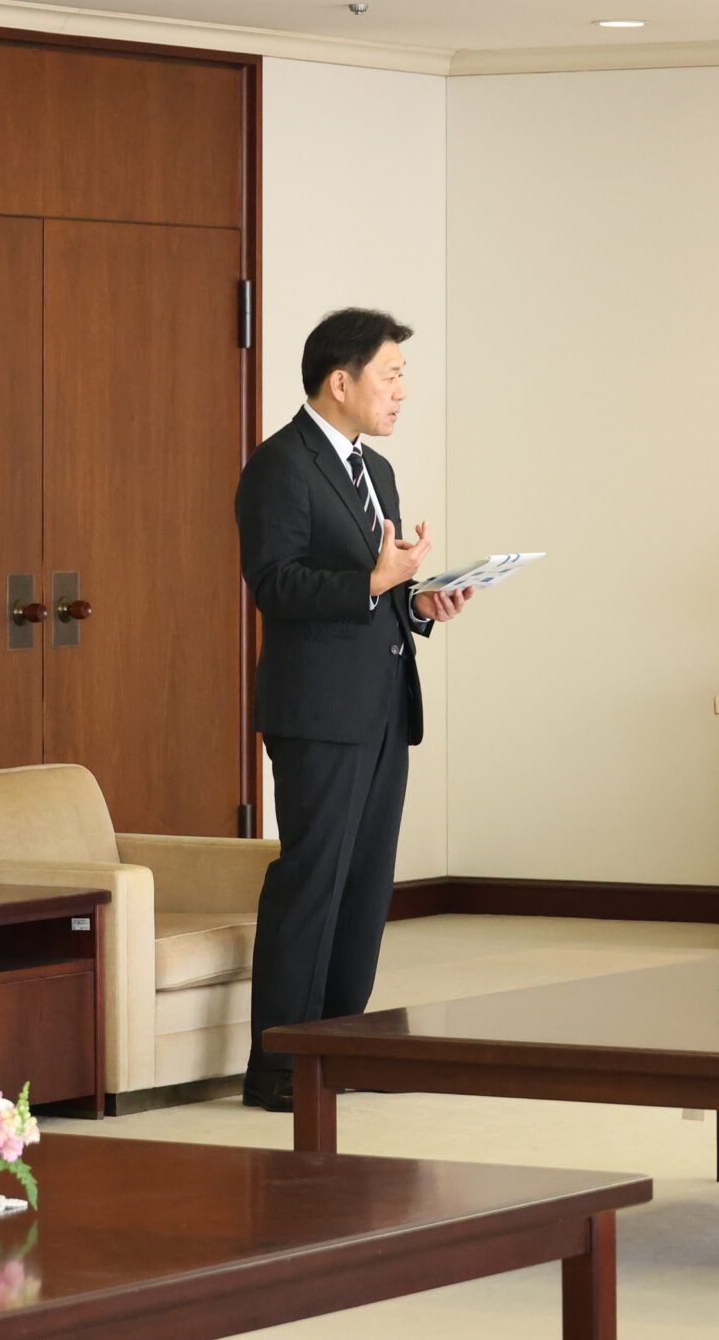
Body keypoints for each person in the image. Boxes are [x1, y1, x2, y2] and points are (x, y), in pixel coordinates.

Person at [234, 308, 475, 1112]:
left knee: (366, 888)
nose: (402, 391)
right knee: (311, 883)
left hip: (381, 707)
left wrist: (420, 600)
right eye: (390, 375)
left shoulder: (378, 471)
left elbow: (378, 592)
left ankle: (339, 1049)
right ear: (341, 381)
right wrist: (374, 582)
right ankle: (280, 1066)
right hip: (317, 711)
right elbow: (275, 584)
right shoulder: (280, 465)